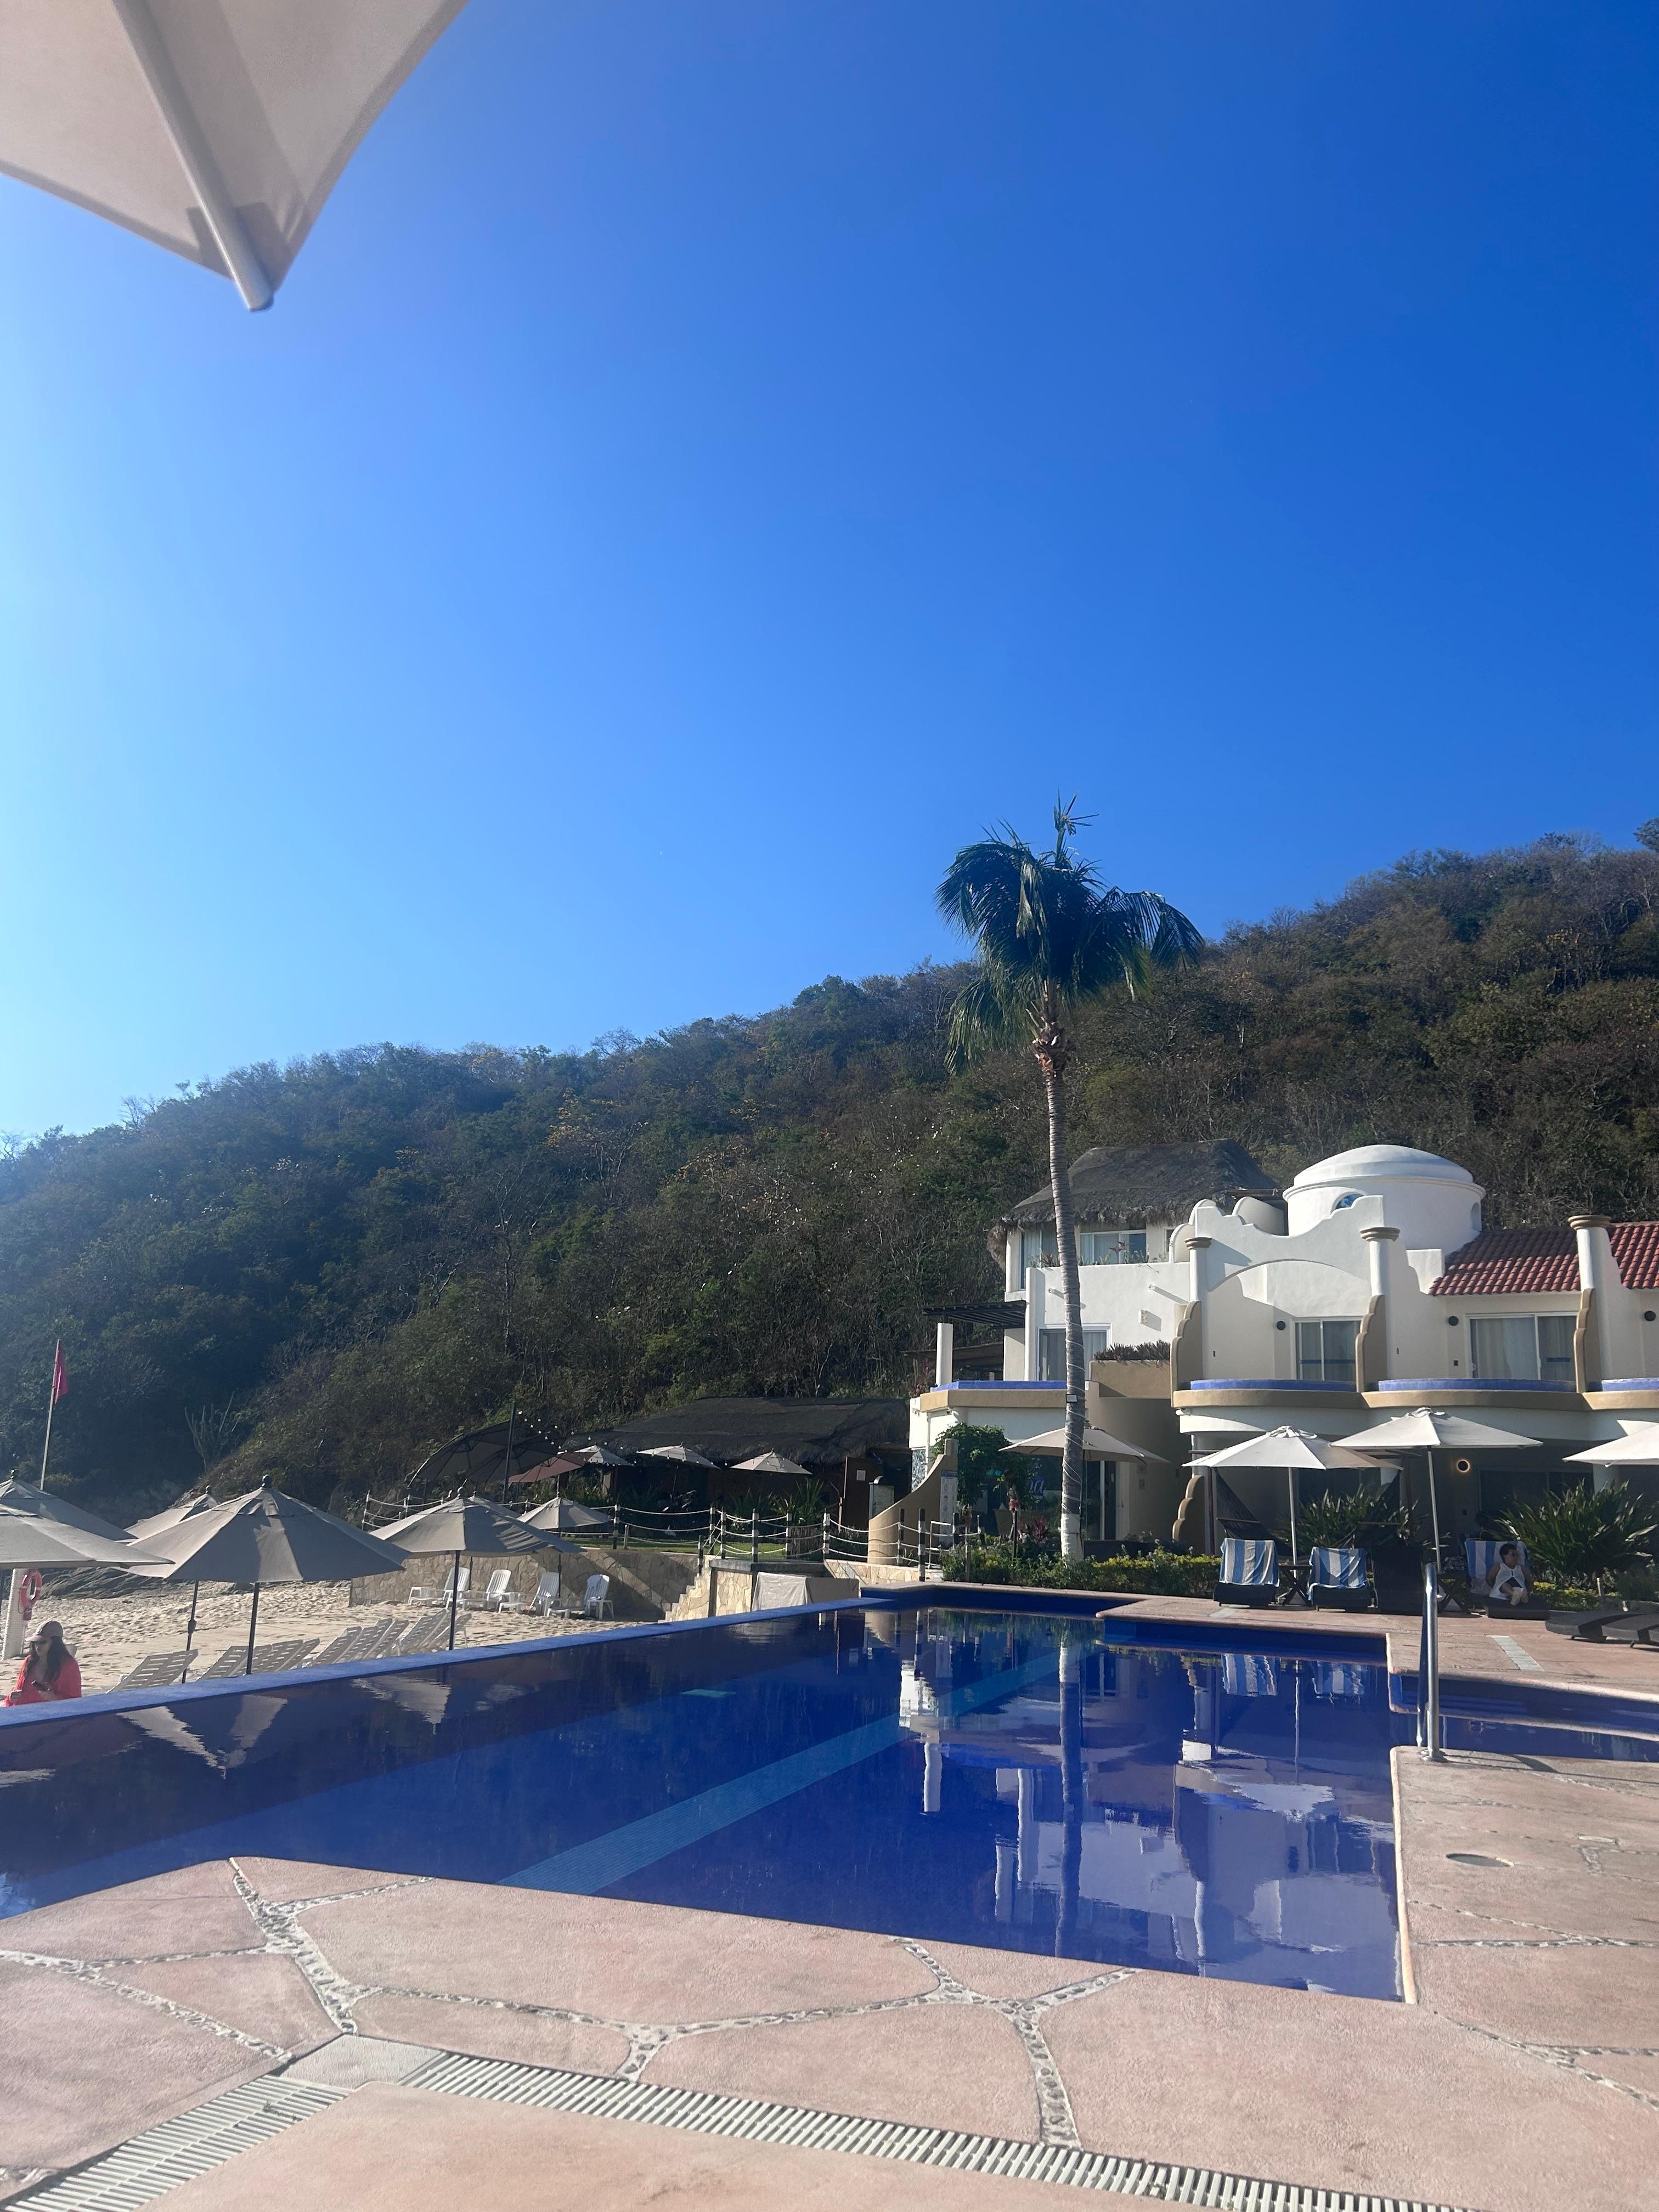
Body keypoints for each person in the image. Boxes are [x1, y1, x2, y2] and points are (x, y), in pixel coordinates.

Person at [5, 1619, 82, 1705]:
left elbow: (75, 1702)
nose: (37, 1646)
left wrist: (54, 1698)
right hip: (22, 1711)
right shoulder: (30, 1661)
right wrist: (12, 1698)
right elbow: (17, 1691)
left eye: (43, 1642)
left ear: (55, 1643)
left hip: (49, 1712)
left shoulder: (69, 1665)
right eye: (35, 1643)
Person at [1486, 1542, 1531, 1610]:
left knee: (1523, 1591)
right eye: (1513, 1555)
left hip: (1518, 1589)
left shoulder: (1522, 1569)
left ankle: (1519, 1596)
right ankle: (1514, 1594)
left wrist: (1528, 1592)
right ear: (1505, 1556)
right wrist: (1495, 1587)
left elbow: (1530, 1582)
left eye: (1517, 1555)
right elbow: (1489, 1579)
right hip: (1502, 1593)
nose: (1516, 1557)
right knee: (1504, 1585)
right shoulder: (1499, 1567)